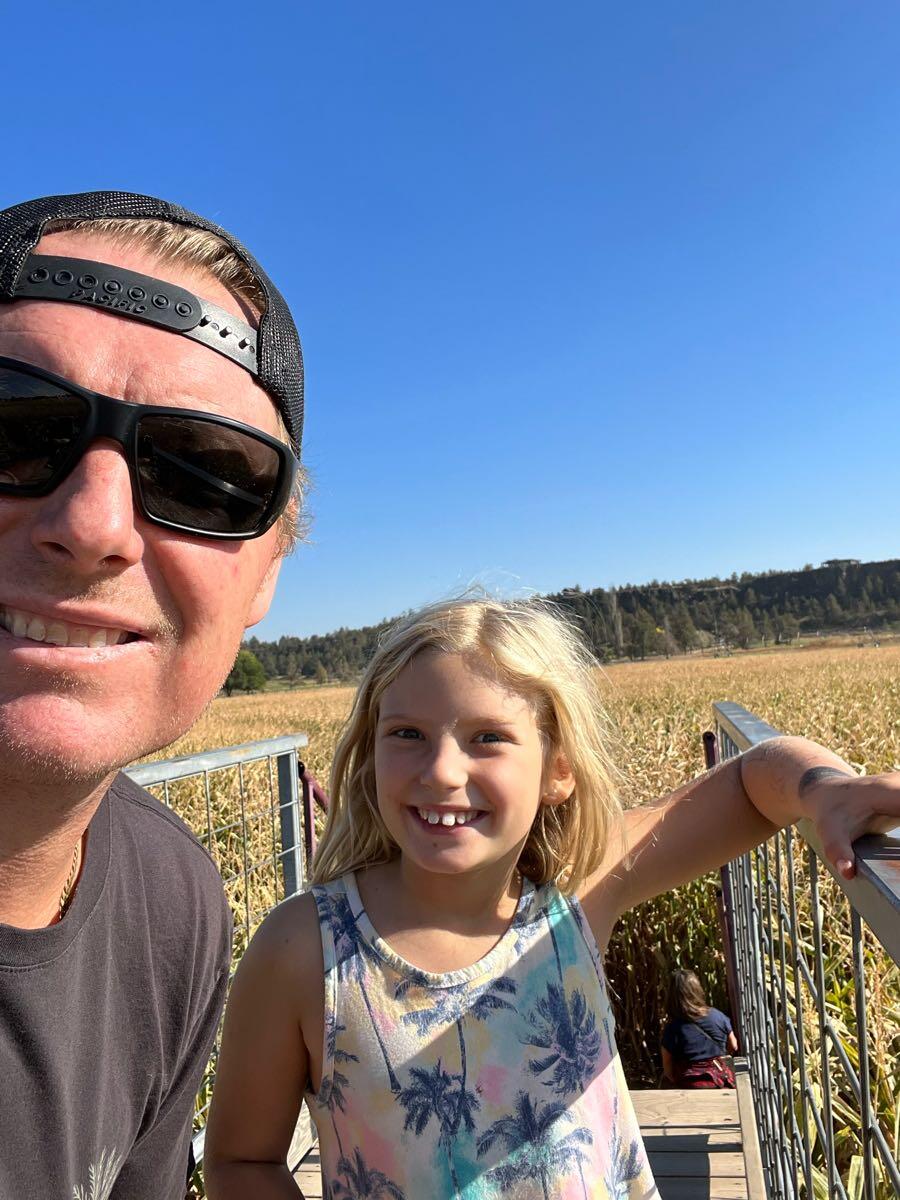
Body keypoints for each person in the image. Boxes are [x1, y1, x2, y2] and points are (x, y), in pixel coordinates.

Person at [203, 597, 900, 1199]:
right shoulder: (305, 948)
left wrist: (823, 789)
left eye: (488, 738)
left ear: (557, 771)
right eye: (407, 734)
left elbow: (752, 779)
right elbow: (241, 1160)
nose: (441, 770)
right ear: (371, 753)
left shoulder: (577, 891)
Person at [0, 191, 305, 1199]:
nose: (94, 526)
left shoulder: (175, 905)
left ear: (266, 574)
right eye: (12, 425)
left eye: (203, 474)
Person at [660, 969, 739, 1088]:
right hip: (719, 1083)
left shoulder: (673, 1027)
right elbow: (734, 1045)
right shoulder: (718, 1016)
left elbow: (668, 1070)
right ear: (697, 990)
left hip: (689, 1086)